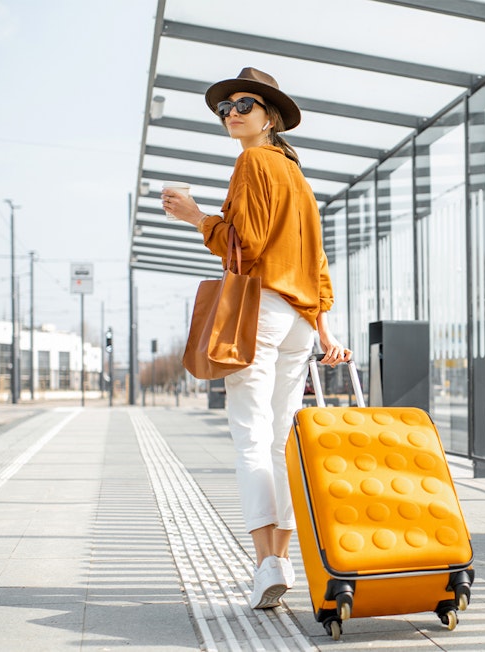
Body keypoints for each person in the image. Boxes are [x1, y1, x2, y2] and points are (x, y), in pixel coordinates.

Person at [162, 67, 352, 610]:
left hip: (262, 310)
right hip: (296, 320)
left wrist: (198, 216)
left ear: (269, 117)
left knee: (250, 437)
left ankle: (267, 563)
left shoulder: (253, 162)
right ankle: (282, 562)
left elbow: (243, 247)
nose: (232, 114)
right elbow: (315, 264)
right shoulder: (299, 179)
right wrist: (323, 328)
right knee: (280, 440)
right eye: (225, 108)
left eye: (243, 104)